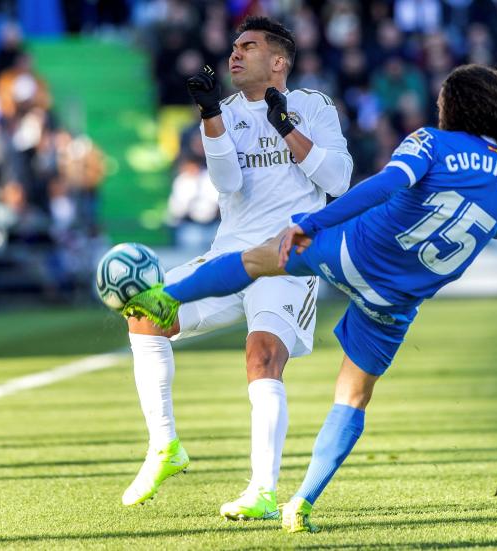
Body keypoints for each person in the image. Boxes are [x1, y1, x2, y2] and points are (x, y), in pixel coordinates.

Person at [123, 64, 497, 532]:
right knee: (354, 396)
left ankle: (167, 296)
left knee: (258, 260)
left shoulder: (431, 142)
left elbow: (385, 185)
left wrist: (312, 222)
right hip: (396, 300)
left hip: (356, 252)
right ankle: (301, 503)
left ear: (454, 107)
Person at [122, 16, 353, 521]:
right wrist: (209, 117)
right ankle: (165, 447)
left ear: (278, 61)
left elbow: (338, 179)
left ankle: (263, 492)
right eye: (233, 47)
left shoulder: (313, 106)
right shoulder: (223, 110)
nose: (235, 54)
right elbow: (228, 185)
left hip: (288, 259)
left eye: (248, 46)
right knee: (144, 313)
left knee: (261, 356)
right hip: (230, 256)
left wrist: (284, 125)